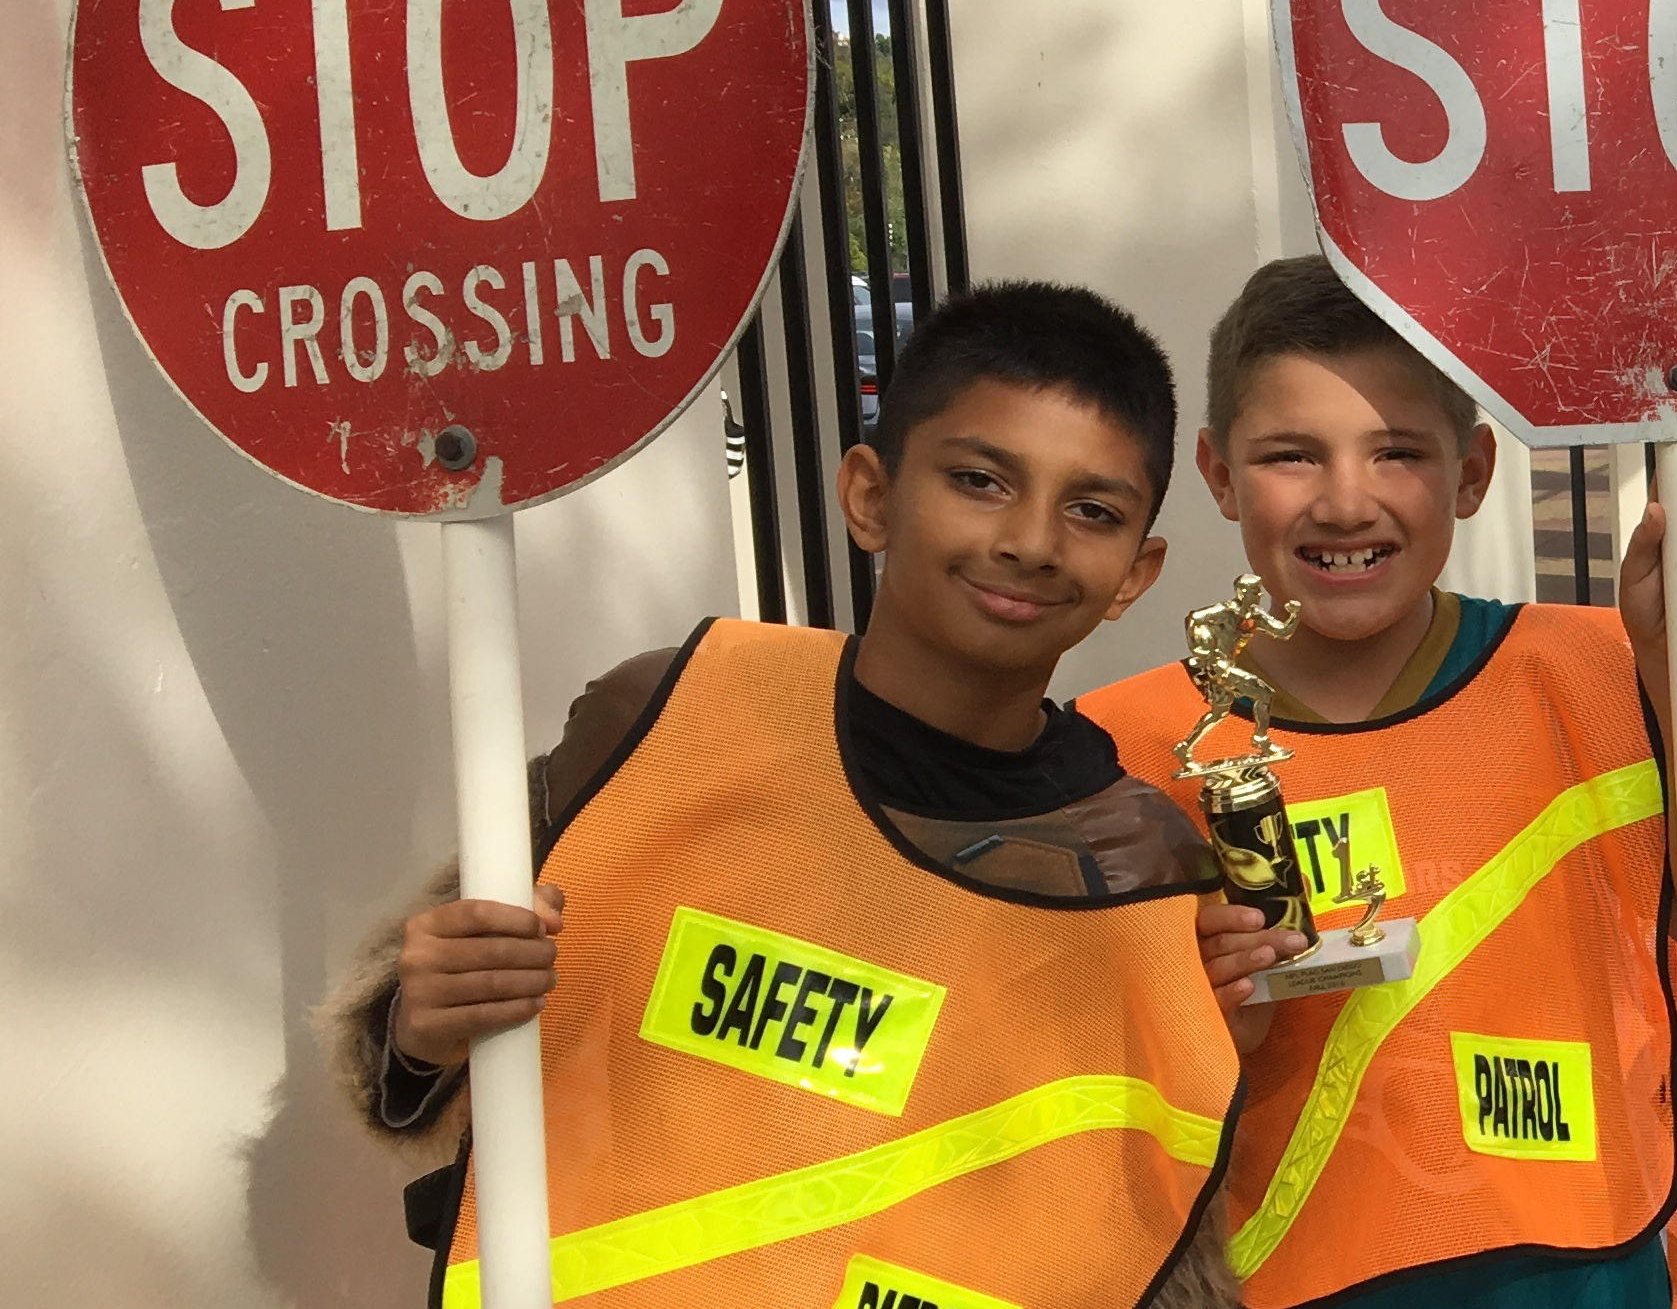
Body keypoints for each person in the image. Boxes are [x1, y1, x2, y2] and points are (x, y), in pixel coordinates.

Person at [325, 283, 1267, 1308]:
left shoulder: (1144, 869)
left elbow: (1153, 1240)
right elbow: (400, 1063)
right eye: (980, 480)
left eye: (1092, 510)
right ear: (870, 496)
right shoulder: (662, 718)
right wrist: (423, 1020)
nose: (1032, 541)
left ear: (1136, 571)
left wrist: (1221, 1036)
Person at [1078, 256, 1677, 1309]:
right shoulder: (1127, 742)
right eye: (1291, 455)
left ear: (1471, 475)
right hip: (1287, 1281)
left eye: (1397, 453)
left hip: (1596, 1273)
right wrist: (1195, 1007)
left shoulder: (1600, 668)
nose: (1345, 500)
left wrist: (1675, 659)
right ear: (1219, 473)